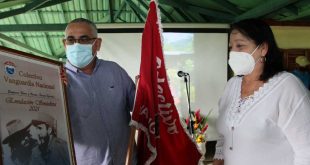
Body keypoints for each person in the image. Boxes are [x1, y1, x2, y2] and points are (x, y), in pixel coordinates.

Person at [213, 19, 310, 165]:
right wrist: (218, 159)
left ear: (263, 48)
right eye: (231, 47)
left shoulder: (287, 87)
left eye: (240, 46)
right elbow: (224, 135)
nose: (233, 53)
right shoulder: (232, 85)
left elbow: (306, 152)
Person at [62, 18, 137, 165]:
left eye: (84, 39)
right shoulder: (57, 80)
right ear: (64, 44)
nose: (76, 45)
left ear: (97, 44)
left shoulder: (115, 70)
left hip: (127, 160)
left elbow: (139, 107)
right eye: (71, 40)